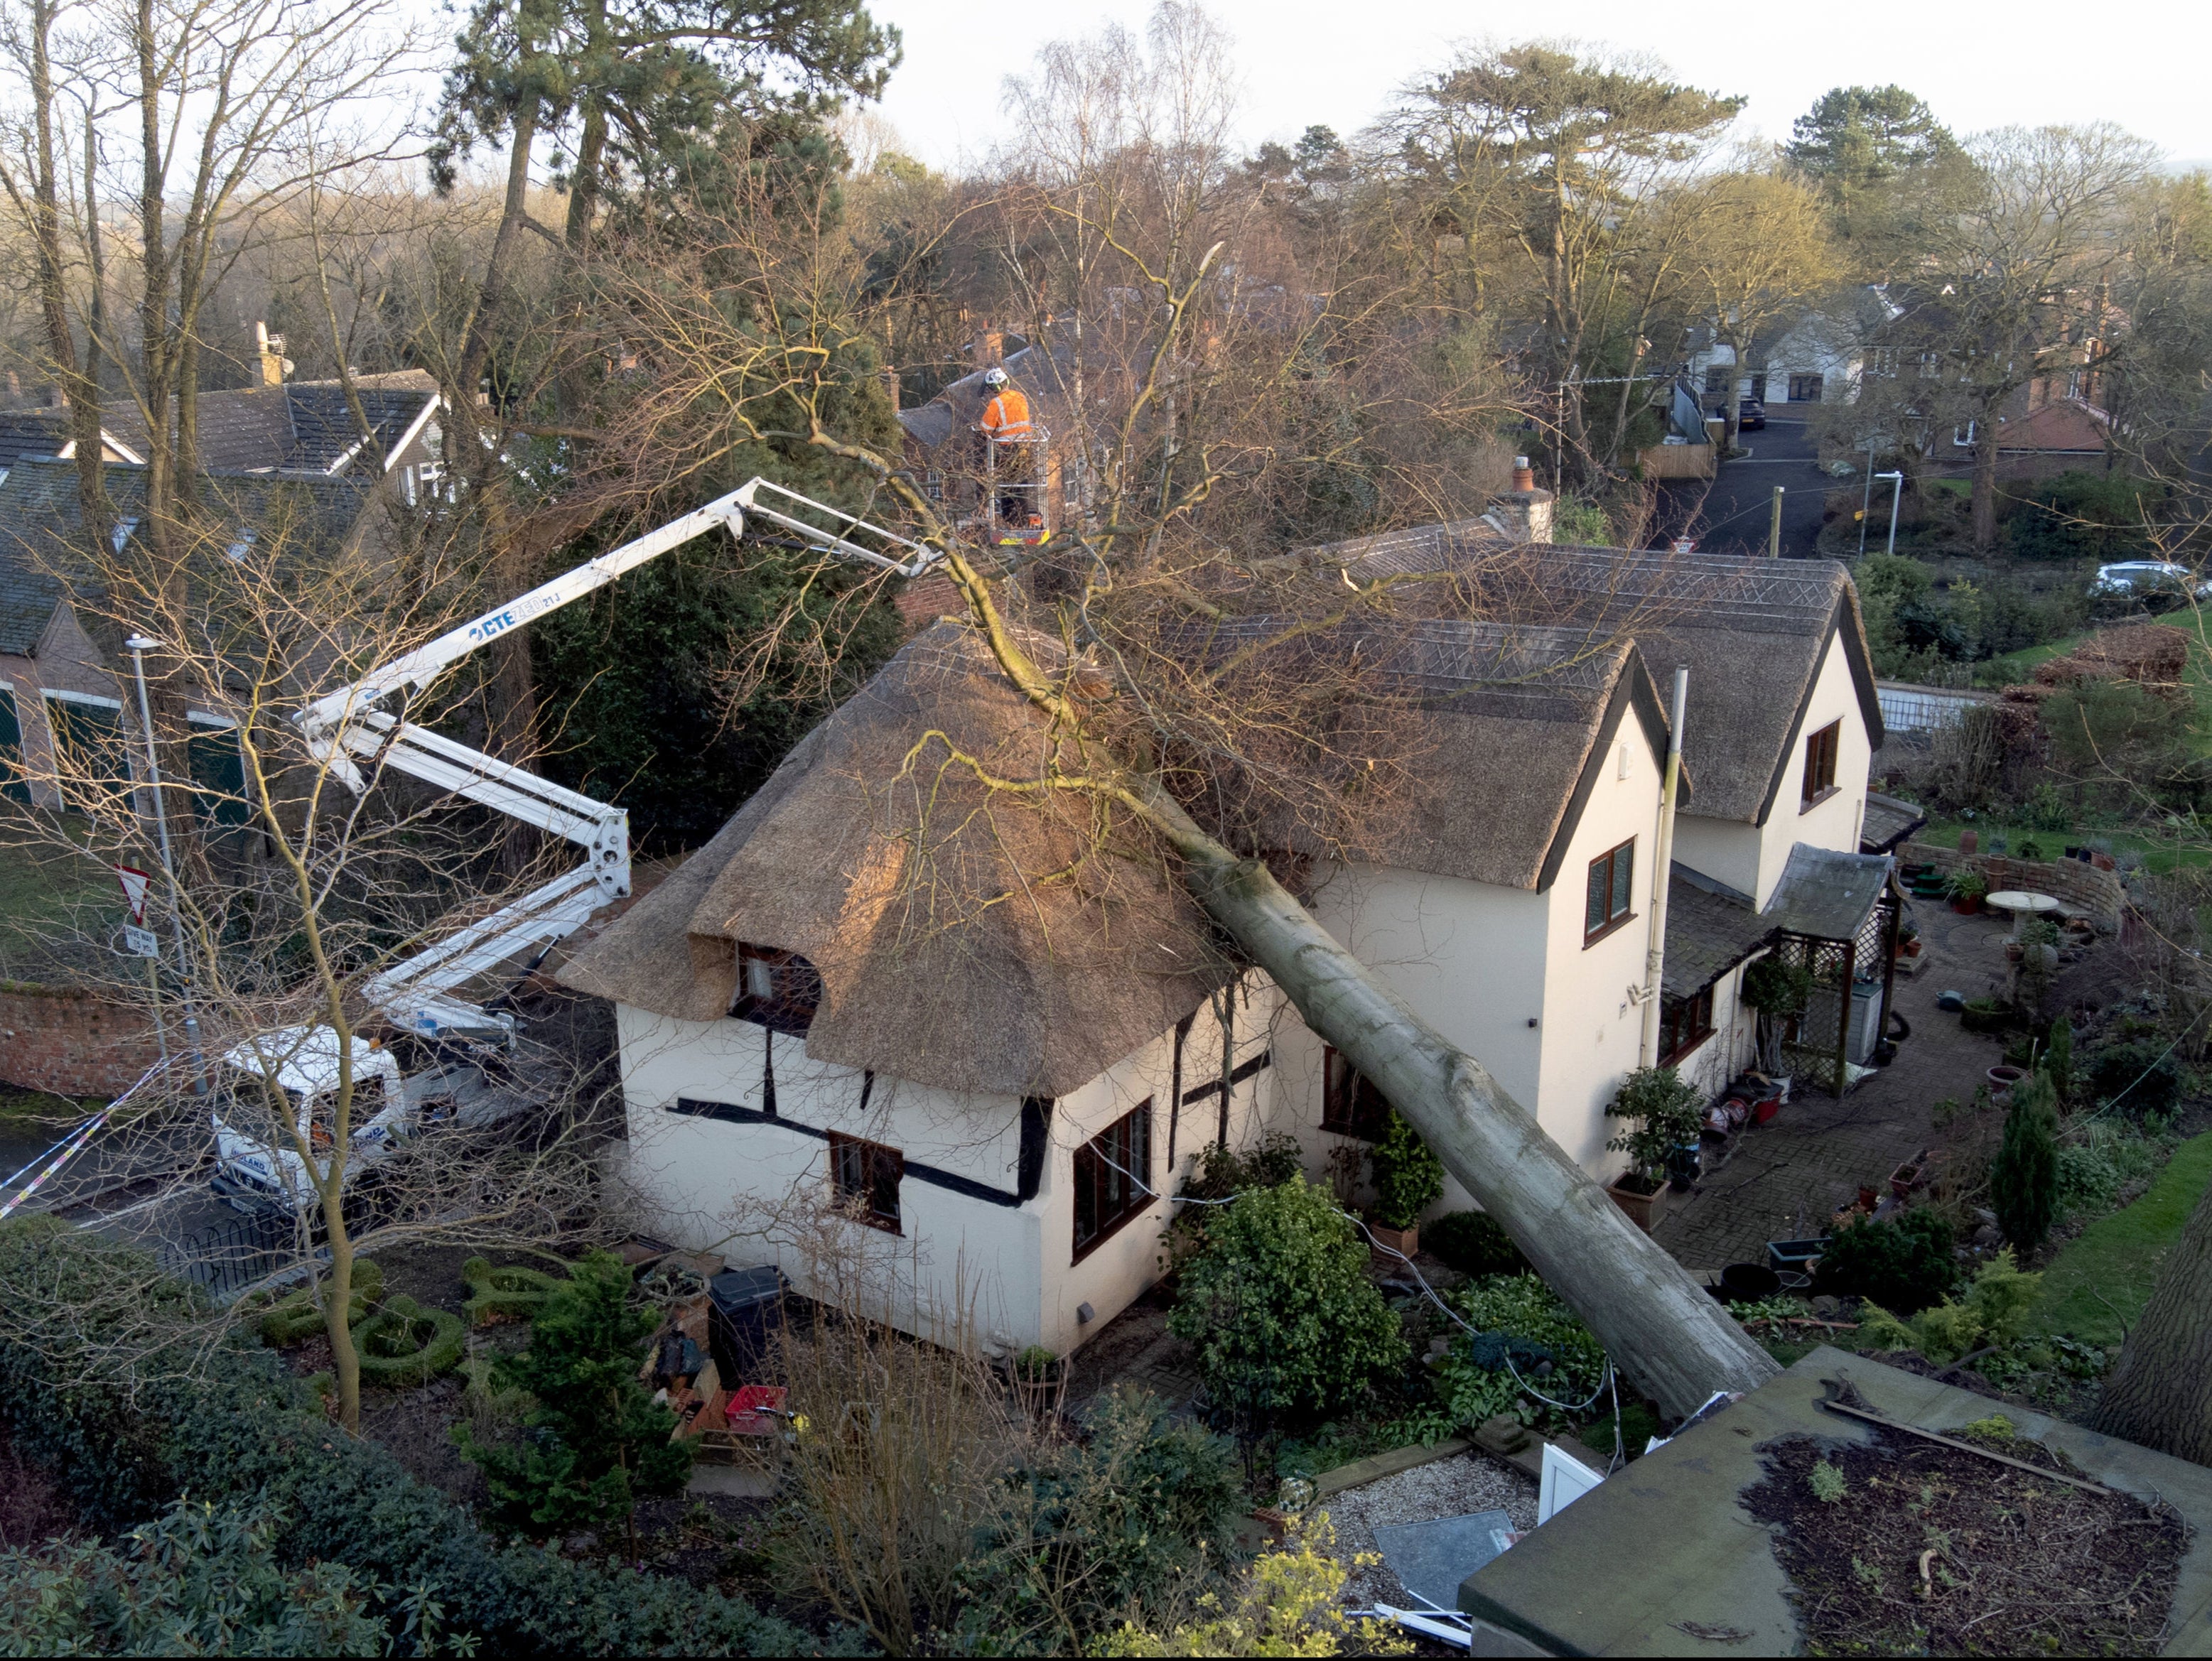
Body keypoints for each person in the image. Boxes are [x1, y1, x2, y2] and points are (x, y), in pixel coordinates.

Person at [975, 366, 1036, 527]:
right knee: (1022, 485)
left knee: (1008, 486)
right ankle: (1021, 520)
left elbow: (985, 428)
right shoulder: (1020, 396)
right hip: (1026, 448)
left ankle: (1010, 519)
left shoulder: (996, 403)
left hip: (1008, 450)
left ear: (995, 387)